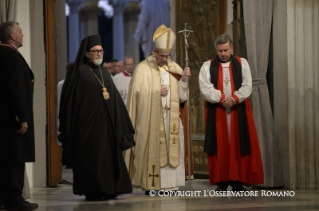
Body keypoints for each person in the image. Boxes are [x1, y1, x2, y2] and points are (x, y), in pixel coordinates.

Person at [59, 35, 135, 200]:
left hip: (107, 125)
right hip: (88, 127)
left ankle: (110, 188)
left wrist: (121, 122)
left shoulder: (103, 72)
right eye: (95, 51)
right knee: (93, 159)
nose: (99, 54)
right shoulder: (79, 72)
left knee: (108, 158)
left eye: (100, 51)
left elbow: (114, 98)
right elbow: (69, 101)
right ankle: (94, 190)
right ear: (86, 54)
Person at [125, 25, 191, 193]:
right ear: (154, 52)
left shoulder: (173, 67)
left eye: (167, 55)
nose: (164, 59)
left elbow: (183, 97)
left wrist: (183, 80)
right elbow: (137, 97)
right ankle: (152, 184)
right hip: (152, 121)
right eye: (161, 56)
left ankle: (171, 183)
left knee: (172, 148)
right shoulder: (142, 69)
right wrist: (156, 92)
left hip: (172, 121)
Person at [199, 34, 264, 191]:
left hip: (238, 109)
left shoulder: (242, 64)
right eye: (220, 51)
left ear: (232, 48)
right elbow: (205, 88)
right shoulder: (208, 66)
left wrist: (234, 98)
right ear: (216, 49)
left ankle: (238, 180)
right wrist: (222, 98)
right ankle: (221, 181)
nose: (223, 54)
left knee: (238, 142)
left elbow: (248, 85)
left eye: (226, 50)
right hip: (218, 110)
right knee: (219, 144)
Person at [0, 21, 38, 211]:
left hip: (5, 119)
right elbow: (16, 90)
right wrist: (21, 118)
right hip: (12, 121)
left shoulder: (4, 53)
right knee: (14, 159)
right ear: (12, 36)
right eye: (21, 31)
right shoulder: (10, 55)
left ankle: (5, 198)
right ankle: (14, 200)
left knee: (7, 159)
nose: (23, 34)